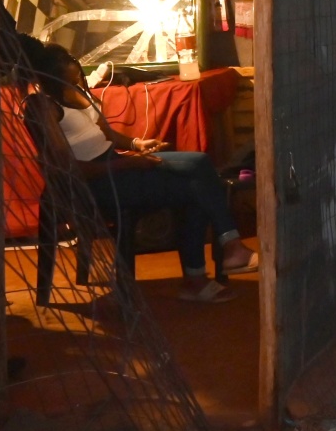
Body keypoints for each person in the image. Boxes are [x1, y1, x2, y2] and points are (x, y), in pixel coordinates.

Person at [36, 45, 257, 303]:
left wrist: (136, 145)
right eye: (70, 76)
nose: (77, 80)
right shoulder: (46, 107)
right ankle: (205, 270)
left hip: (115, 164)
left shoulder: (75, 95)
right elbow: (70, 168)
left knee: (199, 164)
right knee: (197, 191)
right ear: (52, 74)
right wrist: (130, 164)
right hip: (97, 182)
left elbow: (105, 135)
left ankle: (227, 249)